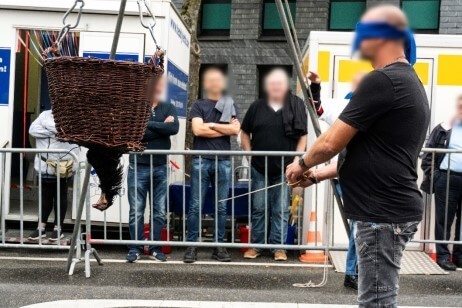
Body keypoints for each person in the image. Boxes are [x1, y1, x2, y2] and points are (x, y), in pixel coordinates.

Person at [286, 5, 430, 307]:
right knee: (378, 298)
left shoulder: (383, 81)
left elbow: (329, 144)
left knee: (376, 302)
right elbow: (374, 153)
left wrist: (300, 164)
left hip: (382, 214)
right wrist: (319, 174)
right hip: (388, 210)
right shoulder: (407, 81)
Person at [240, 68, 307, 261]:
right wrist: (249, 155)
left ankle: (278, 248)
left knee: (280, 209)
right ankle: (257, 246)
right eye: (273, 83)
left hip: (285, 167)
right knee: (259, 208)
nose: (276, 87)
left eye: (280, 83)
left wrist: (297, 159)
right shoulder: (256, 107)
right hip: (259, 167)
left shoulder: (295, 105)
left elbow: (303, 135)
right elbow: (244, 132)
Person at [308, 70, 366, 290]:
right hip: (350, 175)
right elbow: (318, 109)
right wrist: (316, 85)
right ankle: (353, 272)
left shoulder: (374, 108)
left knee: (360, 225)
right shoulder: (345, 107)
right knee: (360, 224)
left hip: (360, 175)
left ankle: (357, 271)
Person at [184, 67, 240, 263]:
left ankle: (219, 247)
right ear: (206, 84)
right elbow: (198, 131)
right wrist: (224, 129)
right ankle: (191, 247)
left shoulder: (230, 104)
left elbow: (236, 130)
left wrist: (212, 125)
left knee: (221, 207)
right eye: (211, 80)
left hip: (223, 161)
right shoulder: (198, 105)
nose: (215, 83)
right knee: (196, 205)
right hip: (201, 160)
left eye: (218, 80)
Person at [126, 77, 179, 263]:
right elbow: (134, 132)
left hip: (160, 166)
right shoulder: (136, 107)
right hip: (137, 166)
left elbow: (174, 128)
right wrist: (161, 126)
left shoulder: (168, 107)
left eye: (160, 85)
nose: (158, 88)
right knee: (136, 210)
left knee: (159, 211)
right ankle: (135, 247)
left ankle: (155, 247)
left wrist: (148, 125)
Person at [421, 94, 462, 271]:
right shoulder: (445, 127)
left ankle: (459, 256)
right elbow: (428, 155)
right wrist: (435, 175)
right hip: (447, 178)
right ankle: (443, 256)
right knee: (444, 219)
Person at [28, 110, 78, 241]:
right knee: (45, 198)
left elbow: (68, 131)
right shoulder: (45, 114)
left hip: (63, 165)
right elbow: (32, 130)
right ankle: (41, 228)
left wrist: (46, 128)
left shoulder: (71, 114)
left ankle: (58, 229)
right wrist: (55, 131)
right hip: (44, 165)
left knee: (60, 198)